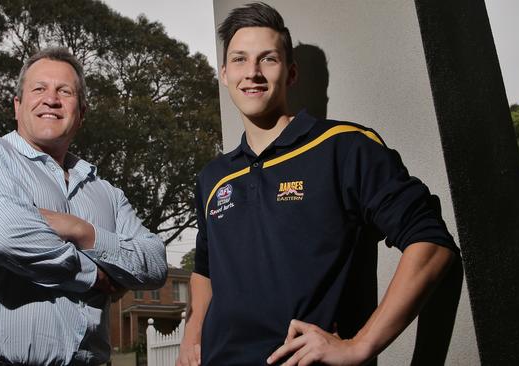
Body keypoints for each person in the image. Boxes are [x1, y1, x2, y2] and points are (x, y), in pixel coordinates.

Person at [177, 3, 459, 366]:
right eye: (240, 60)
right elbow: (205, 268)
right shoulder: (213, 177)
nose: (253, 73)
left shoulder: (344, 147)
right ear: (225, 75)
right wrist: (193, 330)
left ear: (291, 73)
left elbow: (432, 243)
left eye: (268, 60)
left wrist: (360, 345)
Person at [0, 47, 168, 366]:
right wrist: (93, 274)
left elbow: (155, 263)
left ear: (81, 112)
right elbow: (1, 235)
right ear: (18, 105)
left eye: (64, 91)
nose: (50, 99)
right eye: (39, 88)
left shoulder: (107, 193)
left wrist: (81, 231)